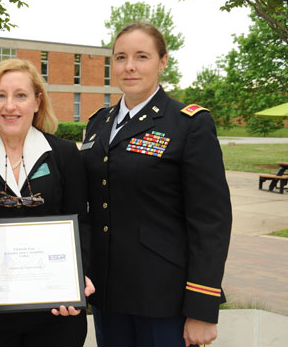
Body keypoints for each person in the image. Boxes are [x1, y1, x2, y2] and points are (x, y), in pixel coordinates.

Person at [81, 22, 232, 347]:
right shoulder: (98, 124)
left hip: (164, 300)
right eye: (120, 57)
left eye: (142, 56)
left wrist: (202, 307)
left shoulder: (188, 124)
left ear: (163, 61)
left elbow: (211, 221)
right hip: (108, 296)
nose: (129, 66)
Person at [0, 58, 95, 347]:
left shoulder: (65, 155)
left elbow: (82, 224)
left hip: (56, 310)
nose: (9, 106)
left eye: (20, 95)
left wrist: (81, 274)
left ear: (37, 102)